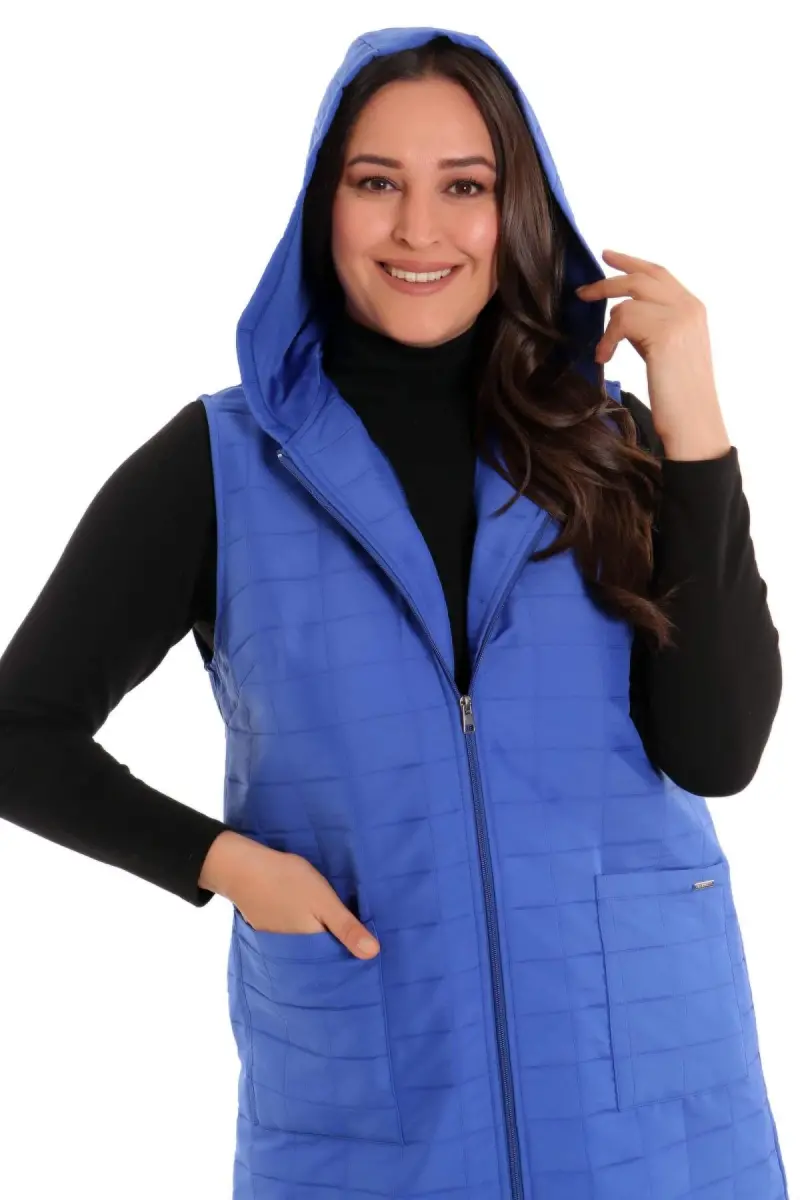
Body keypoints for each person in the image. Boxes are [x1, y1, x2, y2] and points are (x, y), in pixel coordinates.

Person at [0, 24, 788, 1200]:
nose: (420, 230)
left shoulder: (612, 445)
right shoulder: (221, 464)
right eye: (377, 183)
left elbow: (717, 754)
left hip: (651, 1104)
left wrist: (691, 424)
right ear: (322, 207)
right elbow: (19, 731)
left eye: (463, 187)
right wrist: (223, 866)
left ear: (514, 211)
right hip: (372, 1111)